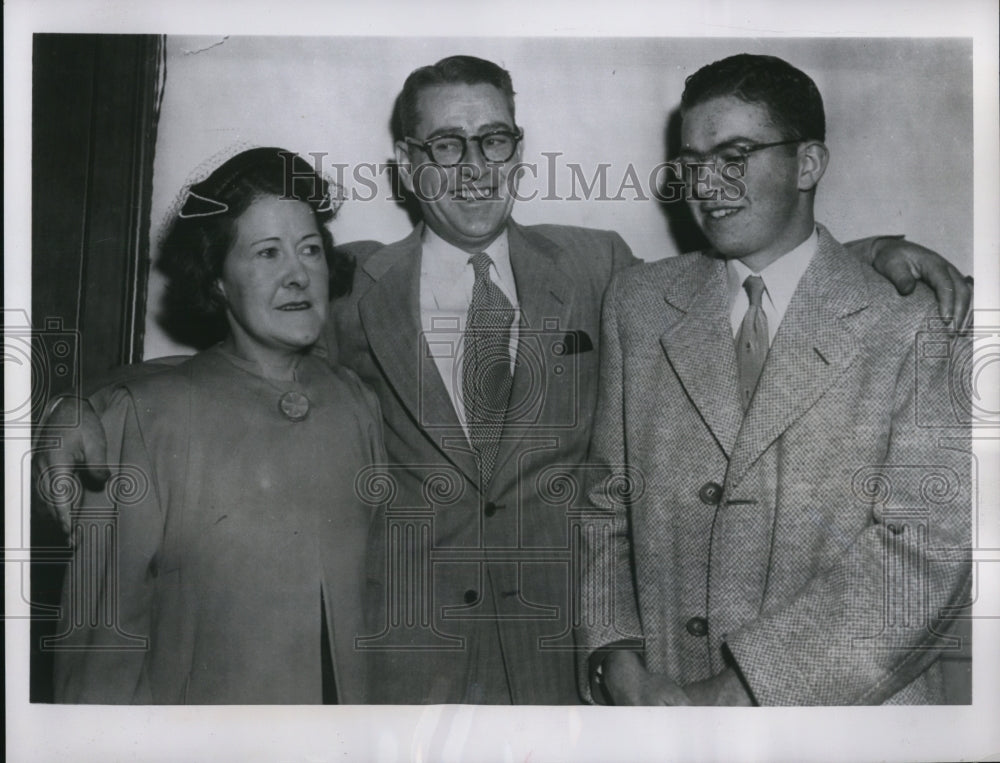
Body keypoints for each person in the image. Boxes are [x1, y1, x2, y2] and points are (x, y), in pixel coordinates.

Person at [37, 56, 971, 705]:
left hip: (576, 662)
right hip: (409, 666)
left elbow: (745, 271)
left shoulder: (605, 266)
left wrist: (877, 247)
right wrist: (88, 404)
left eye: (494, 140)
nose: (473, 167)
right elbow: (233, 343)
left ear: (519, 149)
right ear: (408, 165)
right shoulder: (354, 282)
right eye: (444, 145)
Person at [579, 54, 972, 706]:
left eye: (734, 155)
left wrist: (741, 692)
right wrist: (613, 657)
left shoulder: (916, 319)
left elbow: (924, 559)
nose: (706, 184)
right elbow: (604, 508)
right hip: (662, 715)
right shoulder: (638, 303)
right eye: (692, 162)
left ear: (809, 164)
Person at [52, 148, 385, 704]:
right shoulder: (144, 417)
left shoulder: (354, 401)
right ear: (218, 281)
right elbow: (100, 646)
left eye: (309, 250)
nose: (298, 275)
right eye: (267, 253)